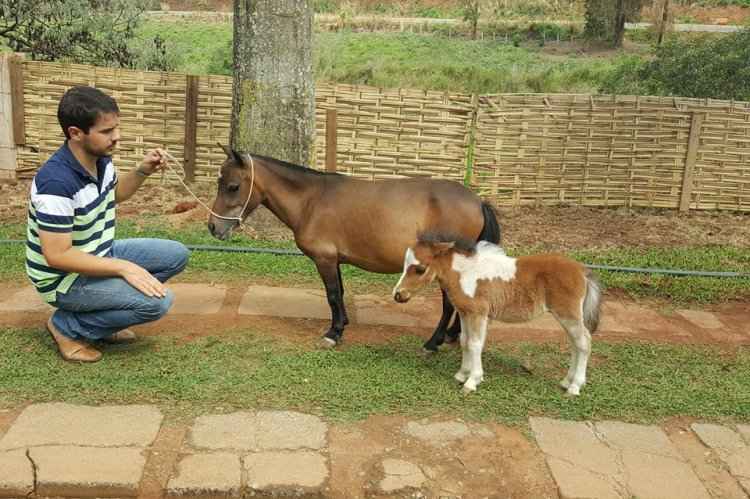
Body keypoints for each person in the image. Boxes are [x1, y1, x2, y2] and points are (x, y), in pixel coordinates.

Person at [26, 85, 190, 362]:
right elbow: (56, 255)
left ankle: (102, 315)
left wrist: (142, 170)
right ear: (75, 134)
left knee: (175, 255)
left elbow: (115, 195)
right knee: (157, 303)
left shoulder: (100, 160)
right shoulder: (56, 183)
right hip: (63, 280)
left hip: (99, 253)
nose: (117, 137)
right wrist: (124, 267)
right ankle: (66, 327)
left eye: (116, 128)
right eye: (106, 131)